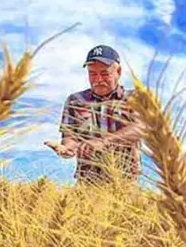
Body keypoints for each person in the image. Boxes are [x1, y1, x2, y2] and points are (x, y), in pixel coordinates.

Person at [44, 45, 144, 184]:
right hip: (87, 182)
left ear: (118, 71)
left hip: (125, 181)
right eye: (92, 74)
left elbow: (141, 128)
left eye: (104, 73)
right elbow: (69, 136)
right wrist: (68, 148)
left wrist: (104, 142)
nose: (98, 79)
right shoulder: (75, 101)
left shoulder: (134, 98)